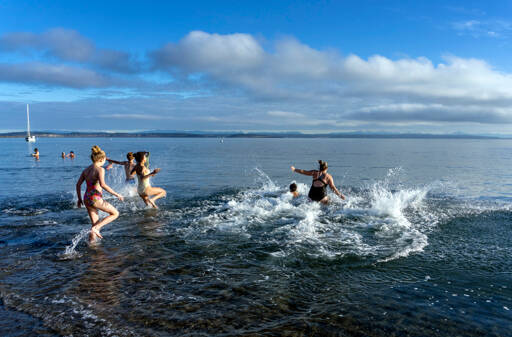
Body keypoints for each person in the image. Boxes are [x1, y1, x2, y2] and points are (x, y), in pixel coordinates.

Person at [76, 145, 124, 242]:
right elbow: (103, 185)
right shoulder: (100, 169)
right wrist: (117, 194)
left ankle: (92, 245)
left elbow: (78, 185)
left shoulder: (86, 170)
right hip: (95, 198)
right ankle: (95, 229)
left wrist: (79, 199)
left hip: (86, 198)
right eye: (105, 159)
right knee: (115, 213)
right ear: (101, 159)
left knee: (95, 223)